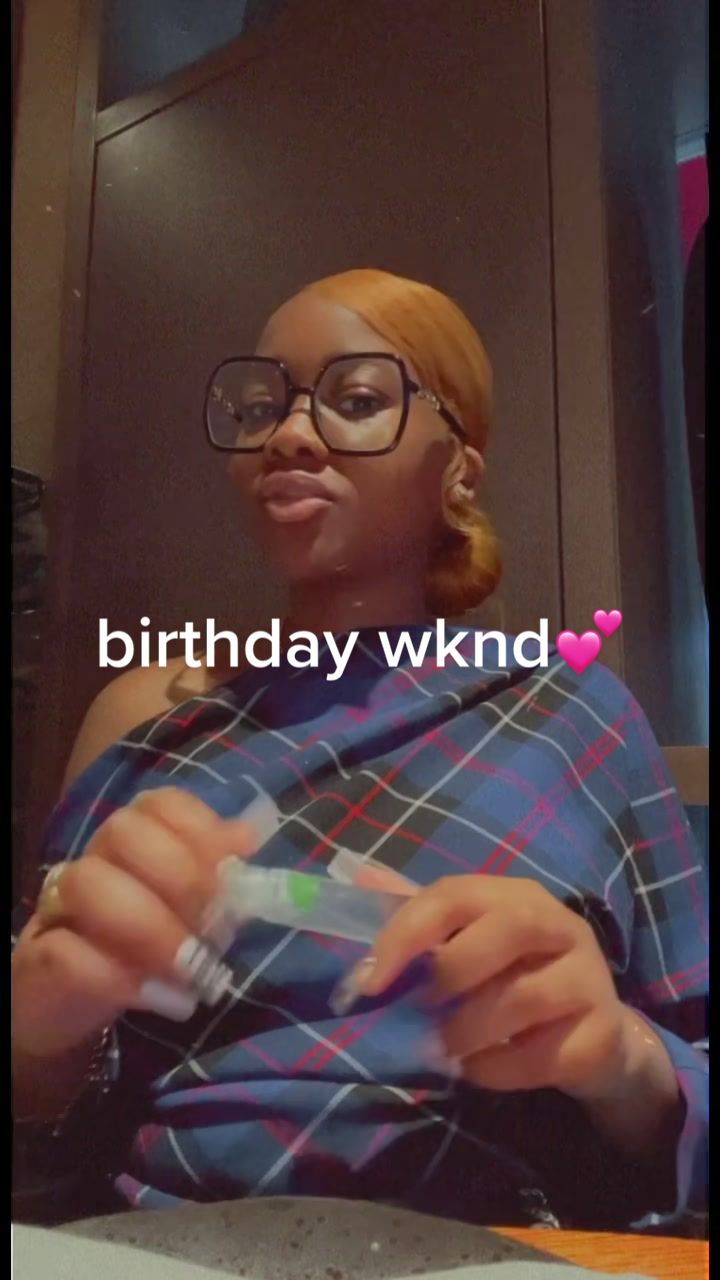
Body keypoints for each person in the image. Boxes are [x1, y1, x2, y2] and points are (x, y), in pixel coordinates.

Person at [12, 269, 707, 1232]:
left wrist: (619, 1057)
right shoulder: (144, 712)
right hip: (143, 1243)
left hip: (497, 1248)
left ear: (458, 468)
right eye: (262, 407)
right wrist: (41, 1037)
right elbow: (44, 1095)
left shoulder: (574, 714)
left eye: (358, 398)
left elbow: (691, 1076)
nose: (289, 435)